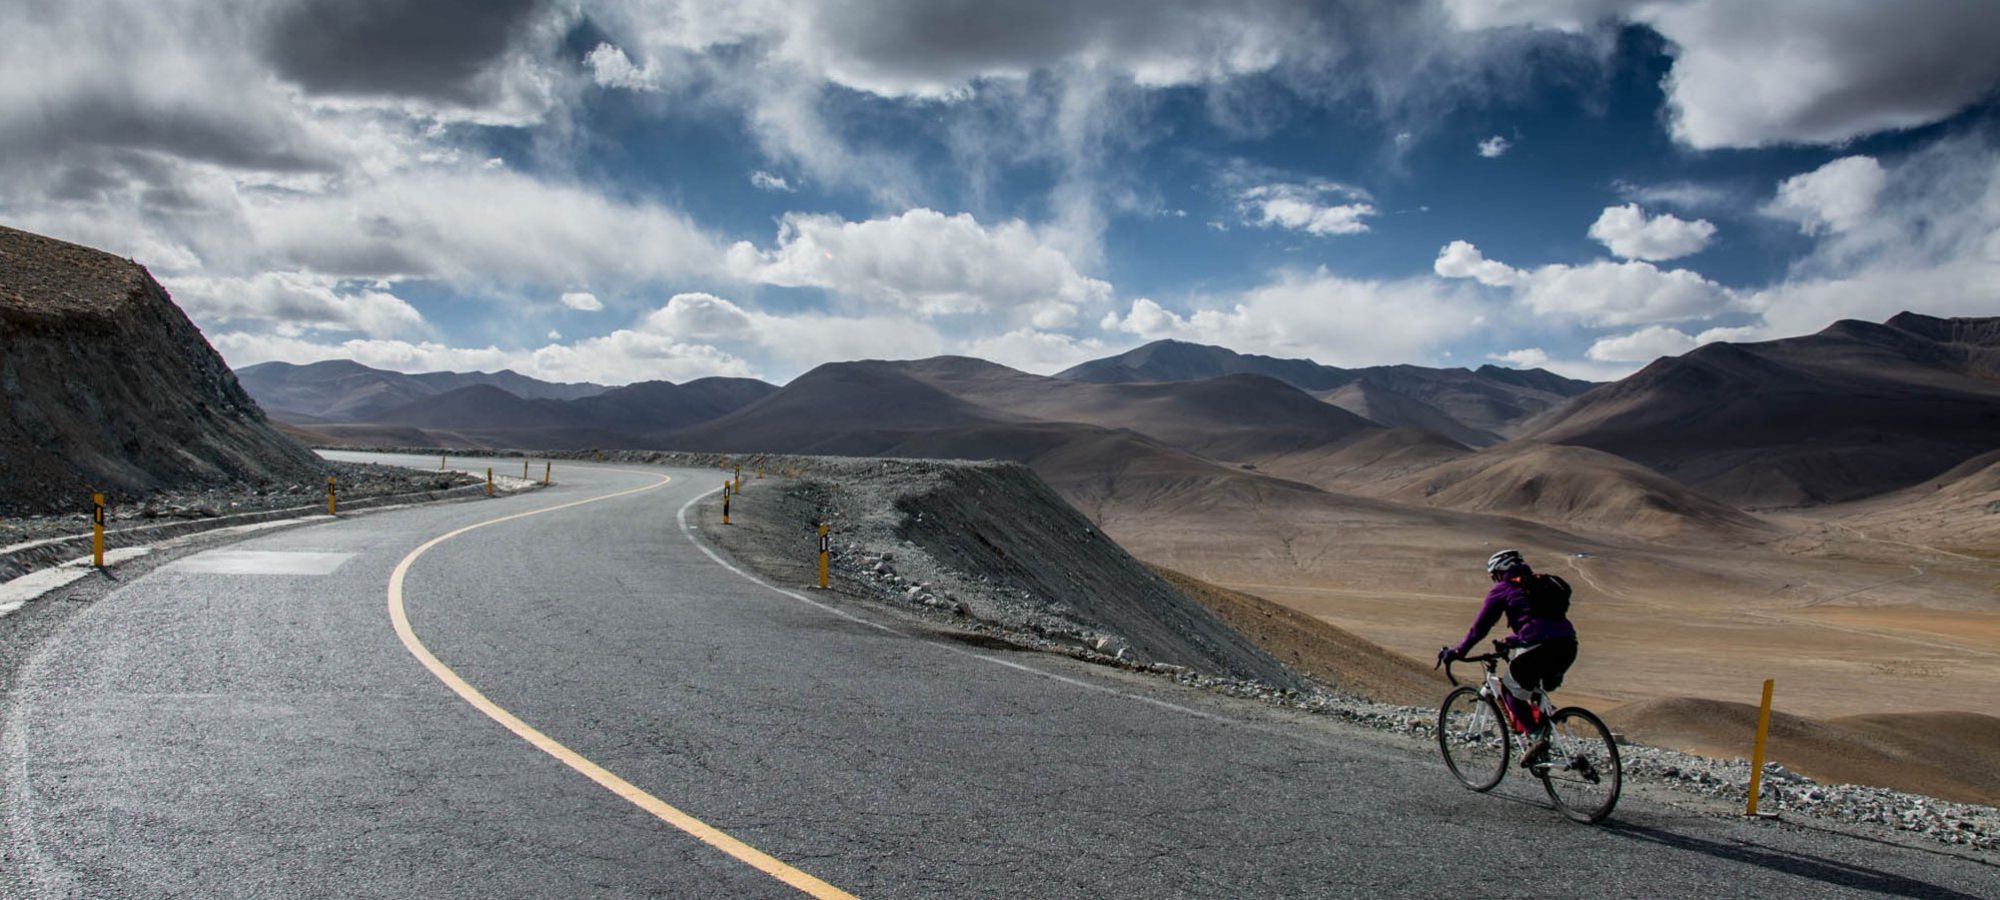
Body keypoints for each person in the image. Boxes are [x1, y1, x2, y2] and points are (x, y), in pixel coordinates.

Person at [1437, 549, 1578, 768]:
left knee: (1509, 689)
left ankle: (1536, 737)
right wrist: (1514, 639)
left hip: (1540, 647)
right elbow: (1540, 621)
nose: (1495, 580)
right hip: (1568, 644)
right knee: (1534, 687)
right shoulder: (1539, 583)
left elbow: (1480, 628)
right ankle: (1557, 748)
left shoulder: (1504, 589)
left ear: (1501, 571)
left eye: (1494, 575)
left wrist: (1459, 652)